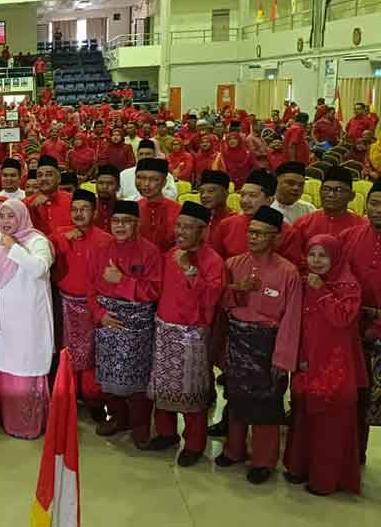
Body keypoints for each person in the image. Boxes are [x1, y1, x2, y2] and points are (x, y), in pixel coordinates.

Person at [216, 206, 302, 485]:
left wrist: (283, 358)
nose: (253, 238)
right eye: (251, 232)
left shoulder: (288, 272)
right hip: (238, 338)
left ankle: (264, 460)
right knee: (236, 397)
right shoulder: (233, 264)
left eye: (260, 234)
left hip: (268, 343)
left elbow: (292, 319)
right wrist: (236, 290)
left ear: (275, 238)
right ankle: (234, 449)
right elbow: (220, 302)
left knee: (267, 404)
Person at [283, 234, 365, 496]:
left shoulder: (348, 285)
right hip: (308, 359)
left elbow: (342, 318)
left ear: (335, 258)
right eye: (312, 255)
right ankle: (299, 468)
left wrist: (321, 290)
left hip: (334, 366)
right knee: (302, 414)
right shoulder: (305, 281)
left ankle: (324, 479)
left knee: (329, 423)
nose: (316, 261)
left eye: (323, 256)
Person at [146, 202, 225, 467]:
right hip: (165, 330)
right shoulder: (170, 254)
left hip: (193, 335)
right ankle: (166, 433)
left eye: (188, 227)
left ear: (203, 231)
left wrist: (191, 271)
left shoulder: (213, 261)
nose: (180, 232)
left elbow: (212, 298)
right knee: (163, 387)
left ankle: (194, 443)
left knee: (193, 391)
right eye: (179, 225)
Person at [87, 200, 162, 449]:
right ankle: (118, 418)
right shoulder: (100, 249)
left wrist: (121, 280)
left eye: (126, 221)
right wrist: (99, 314)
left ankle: (140, 426)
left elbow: (154, 291)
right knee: (107, 378)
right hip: (107, 321)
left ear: (137, 224)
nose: (120, 226)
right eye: (115, 221)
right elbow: (90, 289)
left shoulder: (150, 252)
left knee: (137, 381)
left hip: (138, 325)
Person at [0, 198, 55, 439]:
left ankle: (30, 425)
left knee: (26, 368)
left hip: (29, 320)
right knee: (7, 369)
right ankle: (10, 421)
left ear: (22, 217)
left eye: (11, 216)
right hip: (4, 317)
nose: (5, 222)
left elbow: (39, 268)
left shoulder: (37, 241)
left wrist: (14, 247)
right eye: (2, 216)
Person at [49, 189, 112, 419]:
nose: (78, 213)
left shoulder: (105, 239)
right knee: (66, 351)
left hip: (92, 305)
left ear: (94, 213)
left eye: (84, 209)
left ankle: (94, 399)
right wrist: (62, 244)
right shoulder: (58, 235)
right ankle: (68, 397)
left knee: (92, 354)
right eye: (74, 209)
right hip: (64, 303)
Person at [338, 180, 381, 463]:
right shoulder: (348, 237)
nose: (379, 210)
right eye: (375, 203)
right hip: (355, 332)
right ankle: (353, 457)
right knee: (357, 399)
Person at [210, 169, 304, 267]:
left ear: (269, 200)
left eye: (252, 196)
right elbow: (214, 262)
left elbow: (292, 269)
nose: (245, 201)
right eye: (242, 195)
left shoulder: (287, 232)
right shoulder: (226, 225)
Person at [292, 166, 367, 245]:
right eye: (326, 189)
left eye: (339, 190)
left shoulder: (363, 226)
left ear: (352, 196)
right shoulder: (303, 224)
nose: (331, 194)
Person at [135, 158, 181, 252]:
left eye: (154, 179)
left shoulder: (178, 211)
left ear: (164, 182)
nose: (146, 184)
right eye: (141, 178)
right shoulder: (134, 209)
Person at [25, 155, 73, 237]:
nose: (43, 178)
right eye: (40, 175)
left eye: (49, 175)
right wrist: (30, 209)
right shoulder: (26, 203)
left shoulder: (73, 200)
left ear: (58, 178)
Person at [198, 169, 235, 236]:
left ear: (225, 193)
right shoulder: (198, 220)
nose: (204, 196)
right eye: (201, 192)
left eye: (211, 191)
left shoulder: (234, 221)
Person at [93, 164, 119, 230]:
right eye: (101, 183)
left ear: (118, 187)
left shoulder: (126, 208)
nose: (105, 187)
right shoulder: (87, 207)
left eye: (110, 183)